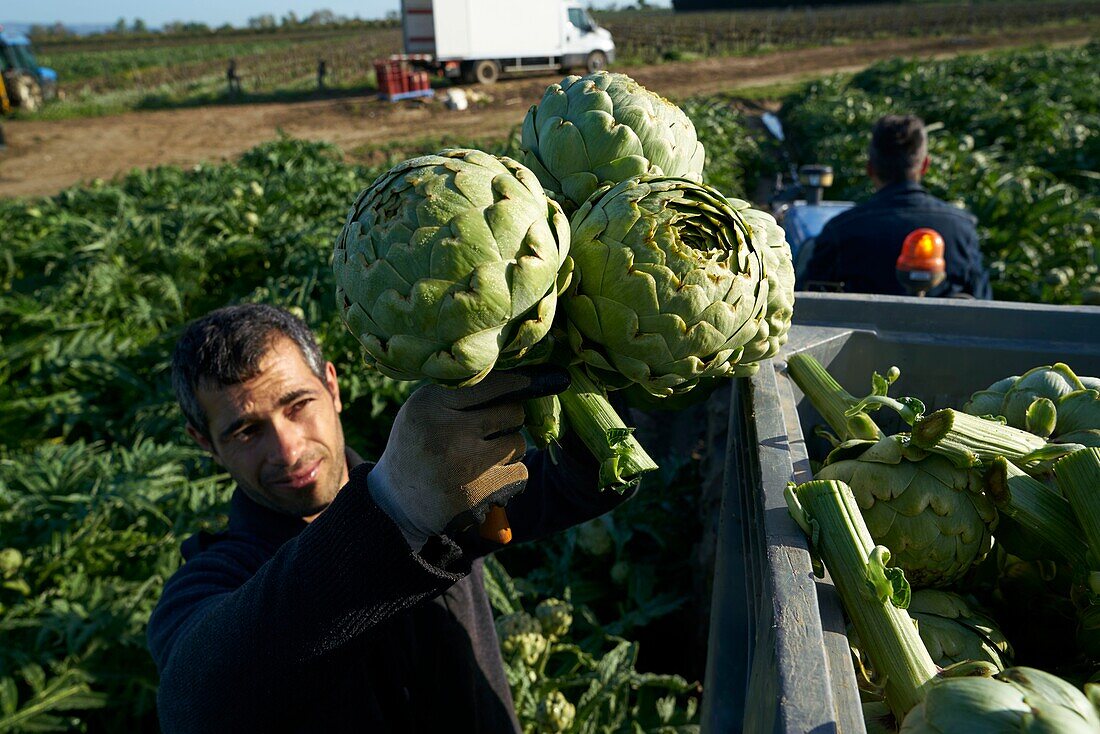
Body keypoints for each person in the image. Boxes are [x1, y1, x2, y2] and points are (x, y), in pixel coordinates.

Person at [147, 303, 633, 732]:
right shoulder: (211, 582)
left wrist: (589, 353)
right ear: (204, 442)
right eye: (246, 432)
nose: (288, 450)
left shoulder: (441, 484)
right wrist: (394, 509)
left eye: (298, 405)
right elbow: (194, 707)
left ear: (332, 387)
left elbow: (574, 486)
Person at [801, 114, 992, 298]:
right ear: (925, 165)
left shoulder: (840, 231)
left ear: (870, 168)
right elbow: (982, 303)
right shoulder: (962, 229)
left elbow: (805, 300)